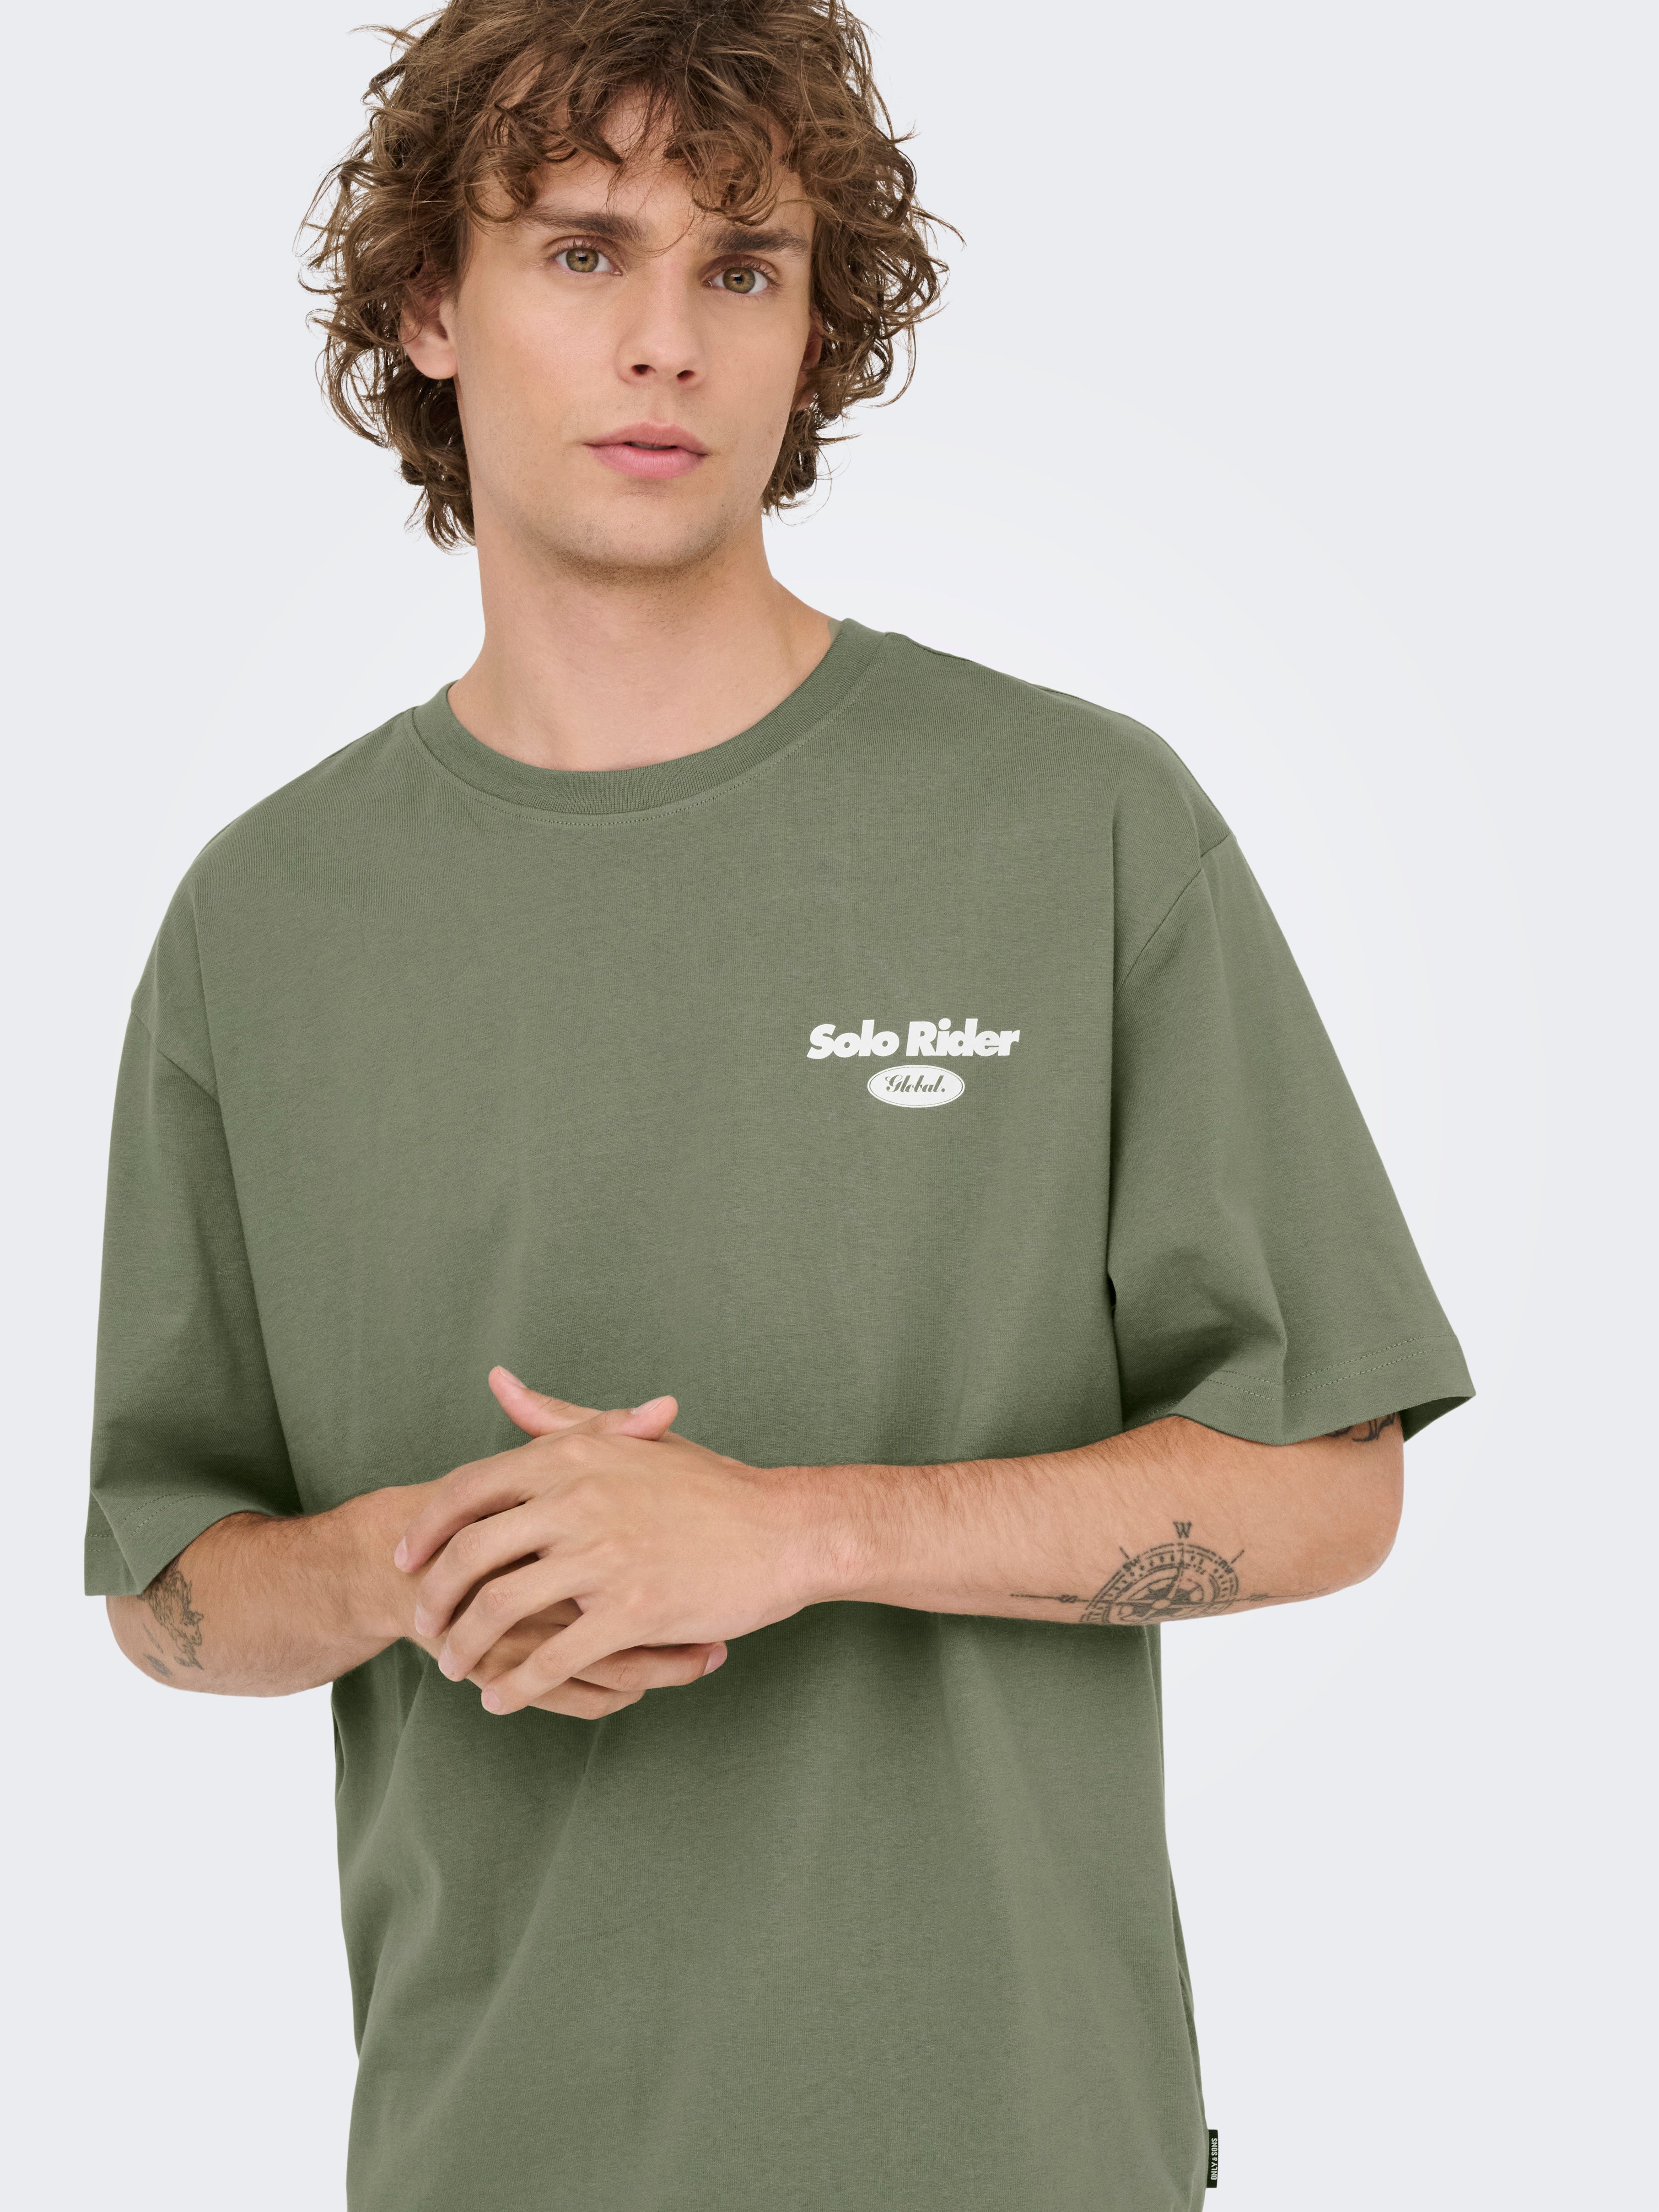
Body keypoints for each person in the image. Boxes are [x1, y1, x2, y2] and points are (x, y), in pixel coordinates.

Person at [85, 3, 1474, 2208]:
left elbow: (1330, 1484)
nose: (668, 340)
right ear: (430, 304)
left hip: (1017, 2156)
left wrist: (794, 1535)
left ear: (814, 328)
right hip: (490, 2161)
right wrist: (433, 1565)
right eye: (581, 250)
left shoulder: (1076, 824)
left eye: (742, 265)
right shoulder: (264, 920)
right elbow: (171, 1587)